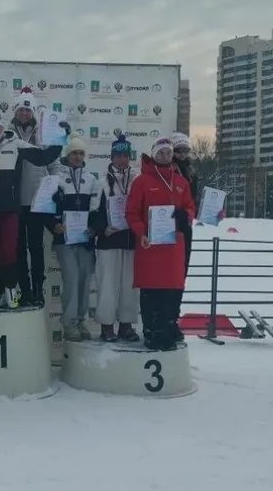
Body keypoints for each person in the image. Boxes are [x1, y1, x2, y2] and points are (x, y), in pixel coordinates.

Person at [0, 109, 65, 308]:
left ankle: (16, 290)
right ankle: (4, 291)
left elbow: (43, 157)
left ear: (2, 128)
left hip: (13, 207)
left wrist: (60, 138)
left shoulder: (14, 142)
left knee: (15, 251)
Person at [126, 137, 196, 351]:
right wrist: (141, 232)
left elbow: (190, 208)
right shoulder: (141, 181)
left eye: (168, 152)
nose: (165, 156)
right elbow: (131, 212)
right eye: (161, 152)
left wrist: (185, 216)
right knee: (151, 291)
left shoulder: (181, 182)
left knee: (171, 292)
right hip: (150, 246)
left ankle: (167, 330)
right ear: (154, 154)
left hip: (173, 248)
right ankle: (151, 332)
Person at [47, 133, 101, 341]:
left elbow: (97, 210)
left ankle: (80, 320)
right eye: (74, 153)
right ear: (67, 155)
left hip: (85, 239)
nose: (78, 157)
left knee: (85, 281)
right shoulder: (57, 178)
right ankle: (69, 323)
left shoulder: (91, 179)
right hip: (65, 239)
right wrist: (54, 225)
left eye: (81, 153)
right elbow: (45, 206)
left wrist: (94, 228)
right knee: (71, 279)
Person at [11, 87, 61, 306]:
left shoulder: (43, 133)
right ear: (15, 111)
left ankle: (38, 288)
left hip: (37, 200)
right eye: (21, 110)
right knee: (18, 249)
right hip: (14, 200)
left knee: (36, 247)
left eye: (28, 110)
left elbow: (54, 164)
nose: (24, 114)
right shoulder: (7, 132)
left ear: (33, 112)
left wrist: (55, 185)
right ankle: (24, 289)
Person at [91, 134, 140, 342]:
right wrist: (102, 228)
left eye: (126, 156)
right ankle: (107, 326)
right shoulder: (101, 181)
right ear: (111, 157)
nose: (122, 159)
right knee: (107, 285)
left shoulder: (137, 180)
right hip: (108, 241)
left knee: (130, 285)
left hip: (131, 240)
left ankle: (126, 325)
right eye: (118, 156)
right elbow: (94, 211)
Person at [170, 132, 197, 277]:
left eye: (186, 150)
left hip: (185, 224)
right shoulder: (167, 170)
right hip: (167, 222)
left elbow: (194, 200)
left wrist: (211, 211)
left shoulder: (191, 172)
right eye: (178, 150)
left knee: (182, 268)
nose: (182, 154)